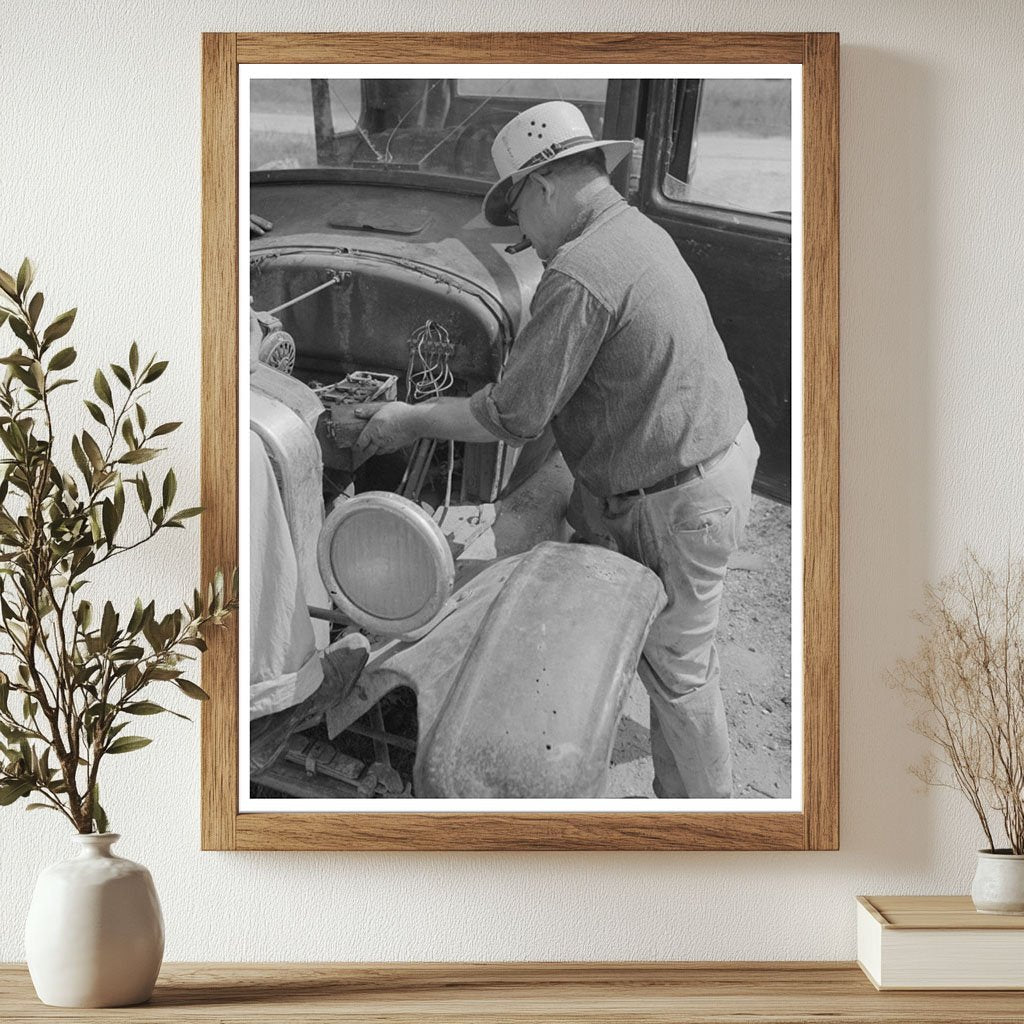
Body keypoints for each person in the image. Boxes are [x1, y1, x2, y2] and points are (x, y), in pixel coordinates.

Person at [354, 101, 758, 798]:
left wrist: (409, 418)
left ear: (541, 187)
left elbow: (513, 415)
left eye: (517, 217)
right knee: (667, 646)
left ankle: (706, 827)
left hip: (679, 498)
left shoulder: (579, 271)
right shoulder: (633, 230)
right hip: (697, 462)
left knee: (681, 674)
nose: (523, 239)